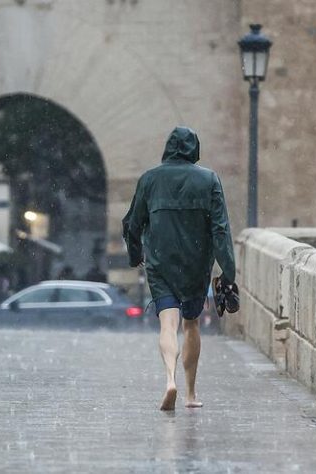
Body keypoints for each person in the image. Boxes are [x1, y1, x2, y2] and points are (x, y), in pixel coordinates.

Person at [123, 126, 236, 411]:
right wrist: (229, 272)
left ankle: (169, 379)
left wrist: (135, 253)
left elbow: (132, 224)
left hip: (161, 261)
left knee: (168, 324)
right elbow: (220, 230)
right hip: (196, 264)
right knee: (191, 323)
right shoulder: (209, 179)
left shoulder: (150, 179)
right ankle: (190, 393)